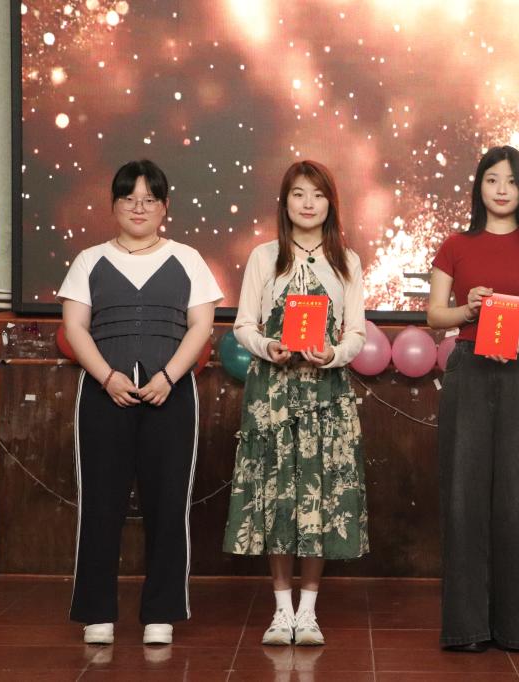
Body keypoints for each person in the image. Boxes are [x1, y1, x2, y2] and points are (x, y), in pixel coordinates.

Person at [58, 159, 223, 646]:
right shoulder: (89, 260)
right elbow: (74, 327)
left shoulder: (188, 258)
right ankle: (96, 612)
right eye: (129, 198)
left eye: (149, 200)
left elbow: (201, 325)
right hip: (101, 393)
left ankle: (162, 612)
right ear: (114, 205)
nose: (139, 208)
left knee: (168, 504)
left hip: (171, 393)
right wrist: (106, 376)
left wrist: (170, 376)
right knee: (100, 503)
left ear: (164, 207)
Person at [427, 145, 519, 652]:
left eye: (511, 180)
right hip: (469, 368)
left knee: (518, 497)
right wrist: (467, 309)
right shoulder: (455, 245)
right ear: (479, 187)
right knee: (464, 496)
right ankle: (466, 629)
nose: (502, 189)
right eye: (492, 179)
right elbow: (434, 316)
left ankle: (514, 628)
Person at [223, 160, 368, 647]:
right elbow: (243, 325)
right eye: (299, 194)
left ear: (331, 203)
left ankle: (308, 613)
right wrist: (268, 346)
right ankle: (281, 611)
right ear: (285, 202)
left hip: (326, 395)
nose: (308, 203)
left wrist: (333, 354)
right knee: (278, 496)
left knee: (319, 497)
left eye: (318, 195)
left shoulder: (346, 261)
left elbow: (356, 333)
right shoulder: (265, 257)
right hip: (274, 395)